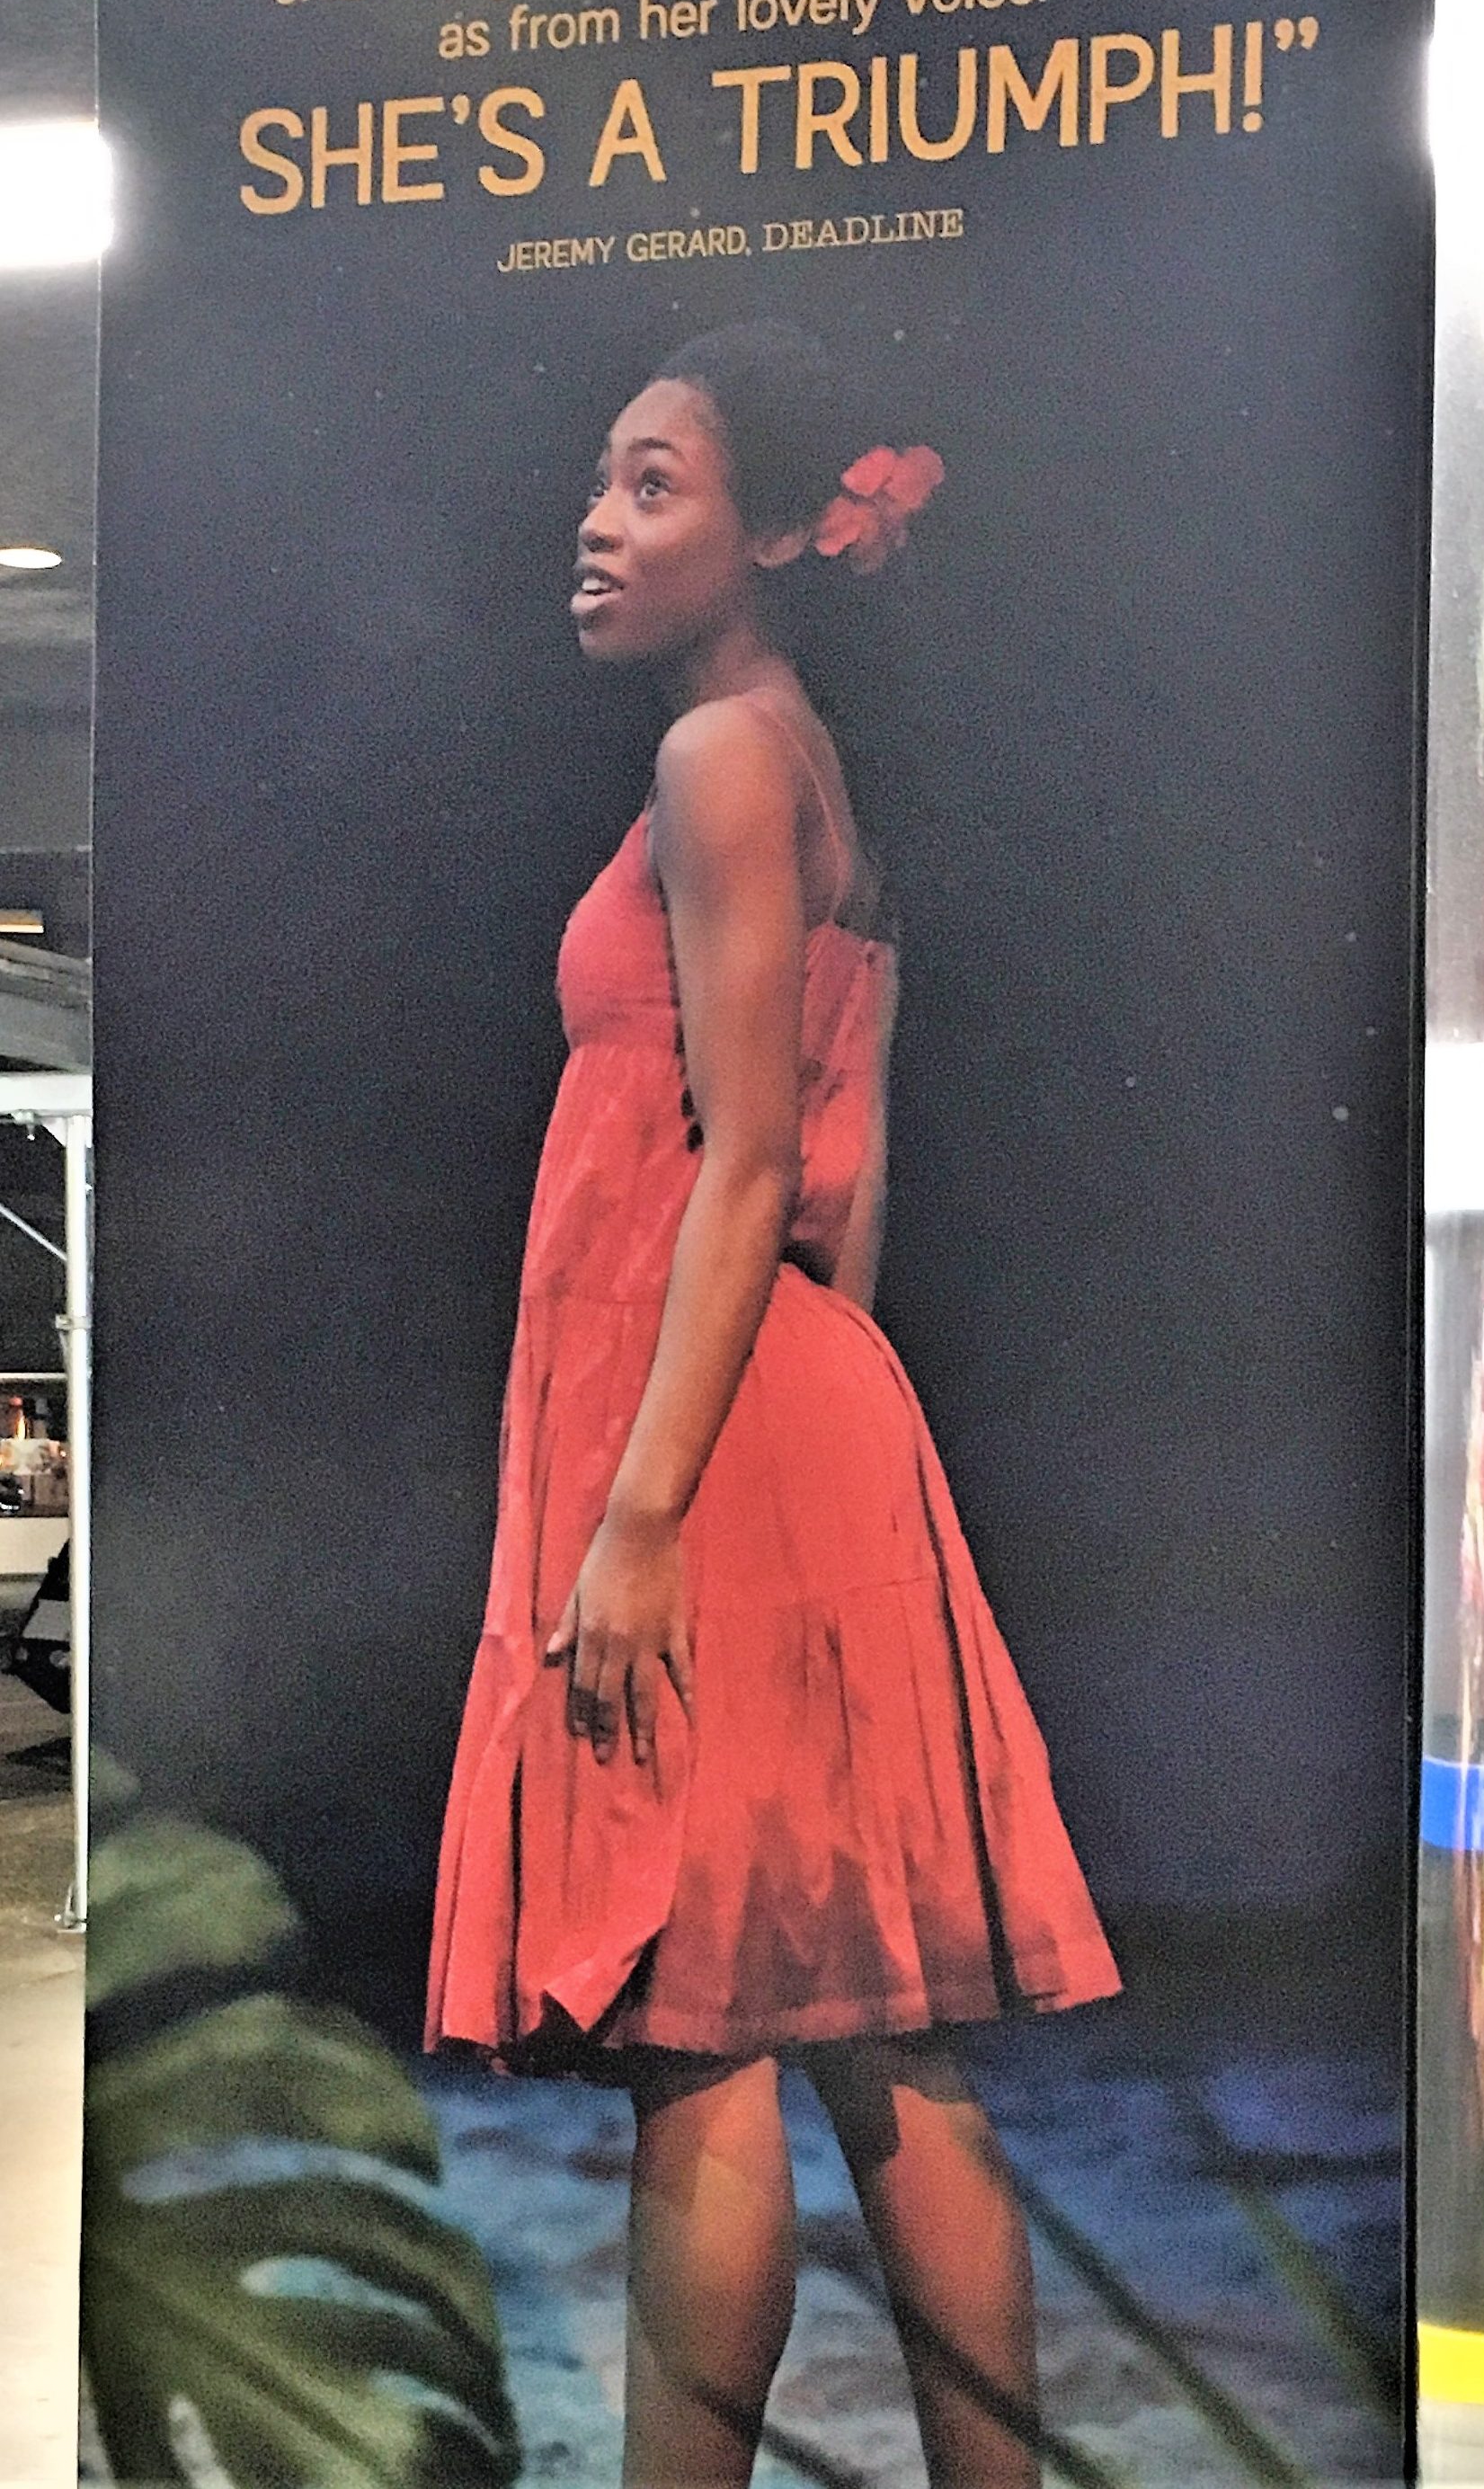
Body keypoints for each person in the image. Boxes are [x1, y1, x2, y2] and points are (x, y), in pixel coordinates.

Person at [425, 320, 1120, 2488]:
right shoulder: (807, 767)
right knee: (876, 2034)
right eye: (601, 476)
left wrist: (647, 1516)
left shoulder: (721, 757)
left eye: (654, 485)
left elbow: (743, 1165)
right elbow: (851, 1180)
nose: (596, 520)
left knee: (702, 2028)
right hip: (798, 1418)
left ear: (777, 534)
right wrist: (831, 1480)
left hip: (700, 1439)